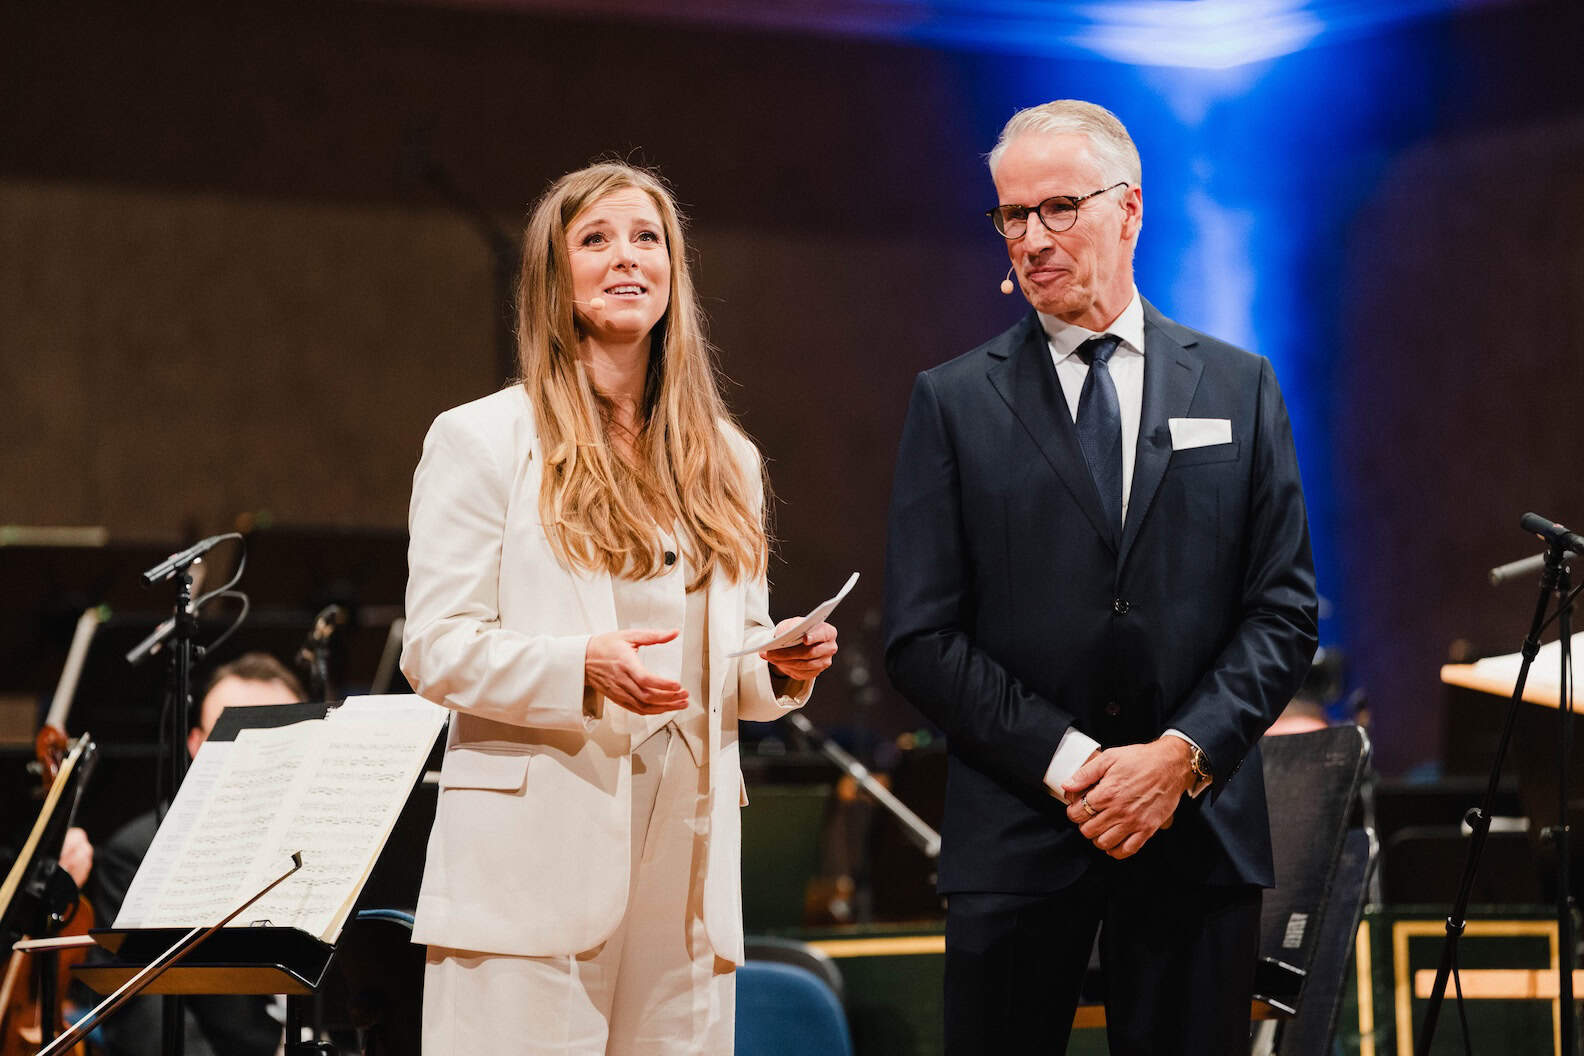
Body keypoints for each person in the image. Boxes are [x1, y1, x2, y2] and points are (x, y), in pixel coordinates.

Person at [883, 100, 1318, 1055]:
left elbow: (1283, 611)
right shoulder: (953, 401)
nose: (1033, 238)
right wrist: (1075, 764)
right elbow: (920, 635)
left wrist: (1179, 757)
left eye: (1059, 207)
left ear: (1130, 209)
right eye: (1013, 214)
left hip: (1194, 835)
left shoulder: (1239, 385)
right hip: (1018, 835)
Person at [401, 160, 837, 1054]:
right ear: (552, 276)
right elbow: (435, 648)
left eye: (647, 238)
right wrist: (581, 669)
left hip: (689, 861)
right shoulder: (483, 439)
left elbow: (735, 660)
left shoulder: (726, 458)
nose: (627, 257)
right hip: (533, 860)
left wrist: (778, 666)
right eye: (595, 239)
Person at [77, 652, 299, 1056]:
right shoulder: (138, 853)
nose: (261, 753)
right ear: (197, 744)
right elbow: (141, 1016)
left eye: (281, 733)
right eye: (239, 732)